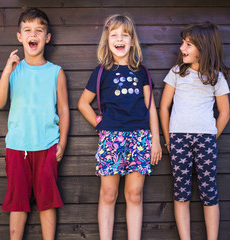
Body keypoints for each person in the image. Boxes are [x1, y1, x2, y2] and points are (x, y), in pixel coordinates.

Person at [77, 14, 162, 240]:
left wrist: (155, 140)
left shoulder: (141, 71)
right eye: (114, 34)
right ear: (107, 40)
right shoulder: (101, 72)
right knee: (109, 193)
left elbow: (151, 107)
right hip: (111, 137)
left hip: (140, 137)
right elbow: (83, 104)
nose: (119, 39)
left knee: (134, 194)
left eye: (125, 34)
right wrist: (99, 122)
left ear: (132, 41)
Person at [0, 8, 69, 240]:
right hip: (17, 147)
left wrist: (62, 143)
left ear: (47, 37)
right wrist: (7, 71)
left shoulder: (56, 72)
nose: (32, 34)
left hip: (47, 146)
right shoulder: (14, 70)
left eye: (38, 30)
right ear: (20, 37)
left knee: (47, 202)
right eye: (27, 30)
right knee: (18, 203)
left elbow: (64, 110)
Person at [159, 22, 230, 240]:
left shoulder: (216, 77)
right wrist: (169, 140)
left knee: (209, 192)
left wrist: (210, 136)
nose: (182, 48)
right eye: (183, 43)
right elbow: (164, 107)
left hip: (206, 139)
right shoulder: (176, 73)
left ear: (204, 47)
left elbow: (224, 113)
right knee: (181, 192)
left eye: (188, 44)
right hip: (178, 139)